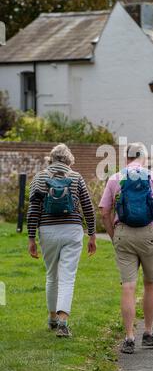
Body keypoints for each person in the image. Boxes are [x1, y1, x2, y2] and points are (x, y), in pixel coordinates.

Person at [99, 142, 153, 354]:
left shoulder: (115, 178)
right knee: (150, 284)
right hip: (150, 234)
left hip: (124, 233)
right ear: (143, 157)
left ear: (126, 158)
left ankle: (129, 338)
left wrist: (114, 236)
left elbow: (104, 211)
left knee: (128, 287)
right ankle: (148, 333)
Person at [27, 143, 97, 338]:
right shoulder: (76, 177)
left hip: (47, 231)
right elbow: (88, 207)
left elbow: (33, 210)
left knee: (51, 275)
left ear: (51, 158)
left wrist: (31, 237)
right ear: (69, 160)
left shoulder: (39, 177)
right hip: (72, 231)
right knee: (67, 277)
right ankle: (63, 322)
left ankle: (52, 318)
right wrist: (92, 233)